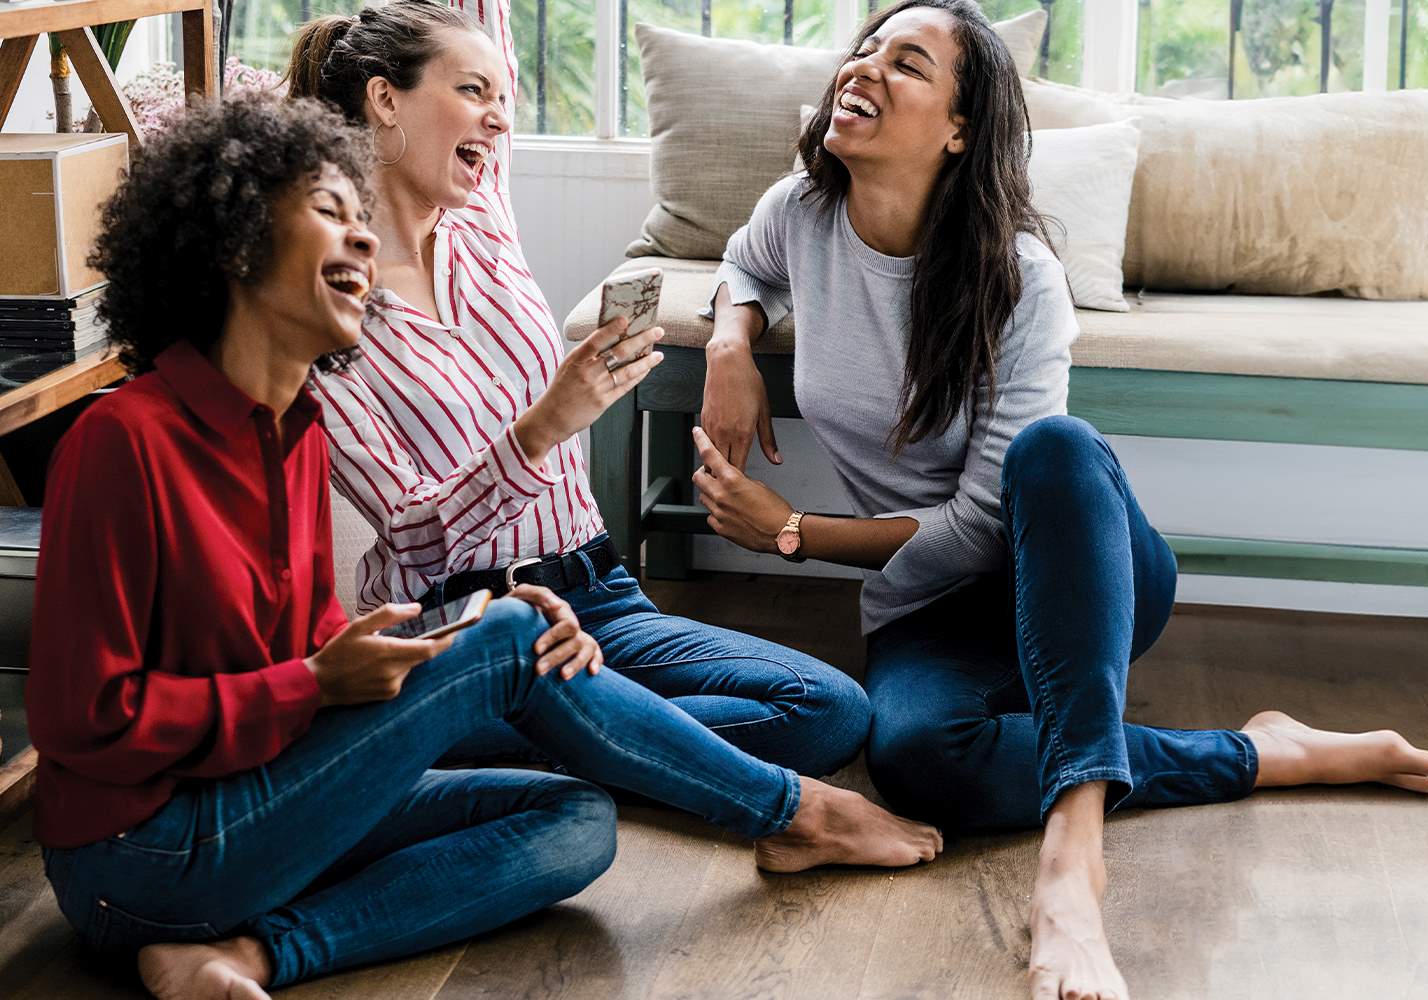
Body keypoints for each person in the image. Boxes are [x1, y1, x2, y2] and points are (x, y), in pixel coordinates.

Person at [27, 94, 940, 1000]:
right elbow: (84, 720)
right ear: (233, 245)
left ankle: (253, 955)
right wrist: (337, 680)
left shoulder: (294, 430)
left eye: (361, 220)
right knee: (509, 639)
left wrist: (442, 643)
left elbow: (309, 653)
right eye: (328, 215)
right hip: (139, 857)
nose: (360, 241)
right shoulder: (124, 441)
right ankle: (793, 810)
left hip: (269, 810)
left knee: (575, 818)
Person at [691, 3, 1428, 997]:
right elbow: (743, 265)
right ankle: (1262, 752)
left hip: (1069, 561)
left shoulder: (1019, 275)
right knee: (919, 760)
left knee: (1054, 451)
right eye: (864, 50)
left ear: (961, 128)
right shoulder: (802, 212)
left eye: (908, 63)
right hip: (931, 611)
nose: (865, 69)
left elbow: (980, 526)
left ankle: (1073, 857)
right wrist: (727, 344)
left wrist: (791, 532)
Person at [288, 0, 869, 779]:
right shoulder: (325, 311)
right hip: (464, 631)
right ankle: (591, 733)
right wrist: (543, 427)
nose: (497, 120)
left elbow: (485, 25)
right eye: (472, 92)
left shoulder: (481, 218)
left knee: (827, 708)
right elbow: (412, 535)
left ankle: (560, 737)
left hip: (598, 591)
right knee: (784, 726)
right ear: (385, 98)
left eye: (504, 99)